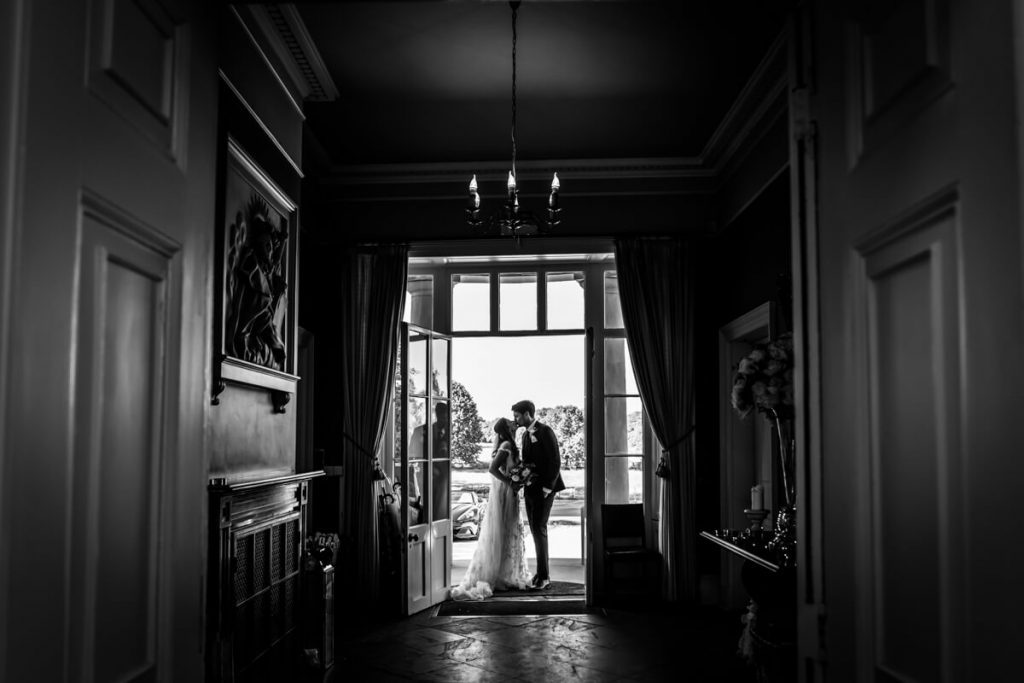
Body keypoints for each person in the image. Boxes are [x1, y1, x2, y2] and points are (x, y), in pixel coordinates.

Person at [450, 418, 532, 600]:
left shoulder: (510, 444)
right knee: (503, 531)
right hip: (504, 493)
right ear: (505, 430)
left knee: (508, 531)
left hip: (510, 493)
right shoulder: (505, 445)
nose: (514, 424)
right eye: (511, 424)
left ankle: (506, 574)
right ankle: (498, 575)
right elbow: (493, 469)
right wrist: (510, 482)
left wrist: (520, 478)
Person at [513, 399, 565, 590]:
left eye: (517, 416)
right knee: (534, 530)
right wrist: (519, 480)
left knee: (539, 529)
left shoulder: (545, 431)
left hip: (544, 490)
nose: (515, 420)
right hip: (530, 490)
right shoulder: (525, 436)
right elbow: (527, 464)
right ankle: (540, 573)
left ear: (527, 414)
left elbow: (555, 461)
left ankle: (544, 577)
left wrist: (547, 488)